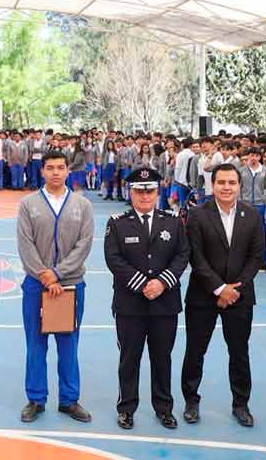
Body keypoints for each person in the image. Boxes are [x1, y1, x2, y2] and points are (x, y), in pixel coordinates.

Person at [105, 166, 189, 430]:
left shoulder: (173, 221)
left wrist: (162, 282)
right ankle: (126, 407)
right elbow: (114, 259)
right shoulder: (117, 223)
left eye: (149, 191)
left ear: (157, 191)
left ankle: (164, 408)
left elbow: (182, 255)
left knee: (162, 357)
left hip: (164, 303)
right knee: (129, 358)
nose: (144, 196)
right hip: (130, 304)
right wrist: (143, 285)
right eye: (139, 191)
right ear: (131, 192)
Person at [181, 163, 264, 428]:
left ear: (239, 186)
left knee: (239, 352)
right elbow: (196, 256)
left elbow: (255, 256)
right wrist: (219, 288)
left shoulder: (251, 215)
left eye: (231, 183)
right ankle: (191, 401)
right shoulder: (197, 215)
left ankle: (241, 404)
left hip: (240, 297)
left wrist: (234, 290)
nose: (226, 187)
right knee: (195, 351)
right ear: (212, 185)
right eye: (221, 182)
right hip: (203, 295)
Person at [16, 150, 94, 424]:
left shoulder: (82, 205)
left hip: (71, 286)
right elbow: (25, 244)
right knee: (36, 344)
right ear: (42, 171)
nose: (56, 172)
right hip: (37, 286)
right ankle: (36, 399)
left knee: (68, 344)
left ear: (67, 171)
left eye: (60, 167)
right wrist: (44, 276)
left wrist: (59, 274)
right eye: (50, 168)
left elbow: (84, 244)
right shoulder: (28, 204)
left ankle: (69, 400)